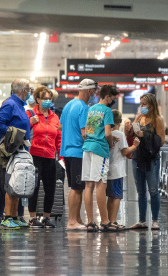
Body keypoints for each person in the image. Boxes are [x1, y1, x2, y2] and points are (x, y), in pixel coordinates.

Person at [59, 78, 98, 230]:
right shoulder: (85, 108)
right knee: (76, 188)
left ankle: (77, 219)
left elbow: (62, 126)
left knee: (77, 187)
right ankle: (71, 221)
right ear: (89, 90)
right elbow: (85, 134)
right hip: (78, 152)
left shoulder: (69, 104)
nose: (94, 93)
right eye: (94, 91)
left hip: (67, 151)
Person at [0, 79, 31, 229]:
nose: (30, 92)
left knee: (17, 183)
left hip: (19, 151)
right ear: (23, 90)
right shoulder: (10, 104)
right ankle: (7, 217)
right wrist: (15, 135)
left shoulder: (20, 105)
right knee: (9, 184)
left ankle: (15, 216)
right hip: (8, 152)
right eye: (28, 89)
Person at [82, 85, 118, 232]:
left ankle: (90, 221)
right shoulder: (107, 111)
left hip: (87, 148)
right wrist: (110, 144)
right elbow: (108, 133)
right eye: (112, 98)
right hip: (99, 150)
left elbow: (87, 132)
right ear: (108, 96)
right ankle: (105, 221)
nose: (112, 102)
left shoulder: (91, 109)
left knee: (88, 186)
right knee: (100, 185)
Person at [126, 93, 165, 231]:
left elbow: (161, 141)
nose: (141, 107)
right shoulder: (139, 118)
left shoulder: (157, 120)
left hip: (151, 159)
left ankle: (155, 220)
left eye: (144, 104)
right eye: (140, 104)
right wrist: (131, 127)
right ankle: (142, 220)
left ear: (151, 105)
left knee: (153, 190)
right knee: (140, 191)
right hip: (137, 158)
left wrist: (146, 135)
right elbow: (132, 135)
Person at [26, 86, 62, 228]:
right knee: (33, 188)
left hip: (50, 156)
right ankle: (32, 218)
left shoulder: (55, 117)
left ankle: (46, 217)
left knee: (50, 188)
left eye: (49, 99)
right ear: (38, 100)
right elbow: (23, 131)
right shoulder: (31, 114)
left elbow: (58, 138)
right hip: (34, 155)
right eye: (44, 98)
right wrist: (31, 122)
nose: (47, 101)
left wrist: (60, 156)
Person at [107, 110, 140, 230]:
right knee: (117, 197)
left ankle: (108, 221)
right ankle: (114, 221)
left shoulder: (107, 133)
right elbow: (124, 151)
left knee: (110, 197)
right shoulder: (120, 134)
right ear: (120, 121)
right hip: (117, 170)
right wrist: (135, 145)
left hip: (108, 169)